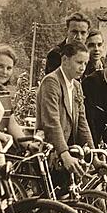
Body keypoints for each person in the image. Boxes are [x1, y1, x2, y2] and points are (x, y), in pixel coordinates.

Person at [36, 41, 92, 184]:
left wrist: (93, 154)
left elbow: (82, 122)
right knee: (55, 202)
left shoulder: (76, 86)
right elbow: (51, 122)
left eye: (85, 63)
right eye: (79, 62)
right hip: (51, 152)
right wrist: (64, 153)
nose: (83, 68)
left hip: (69, 151)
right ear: (65, 60)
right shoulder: (51, 82)